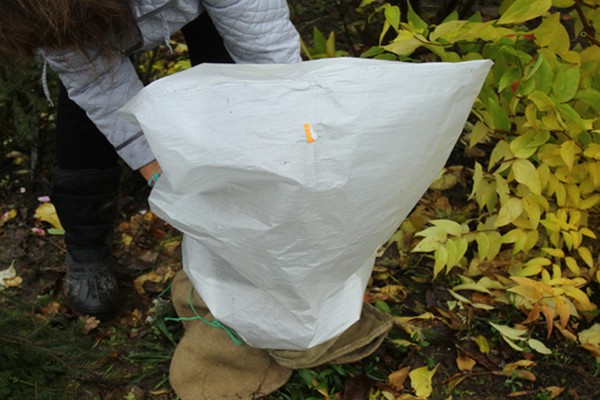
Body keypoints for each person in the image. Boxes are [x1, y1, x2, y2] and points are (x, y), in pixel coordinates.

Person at [0, 0, 301, 318]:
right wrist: (161, 176)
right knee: (86, 111)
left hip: (212, 9)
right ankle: (86, 247)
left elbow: (262, 40)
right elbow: (100, 87)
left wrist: (291, 118)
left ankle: (252, 197)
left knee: (232, 76)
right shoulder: (36, 14)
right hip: (76, 19)